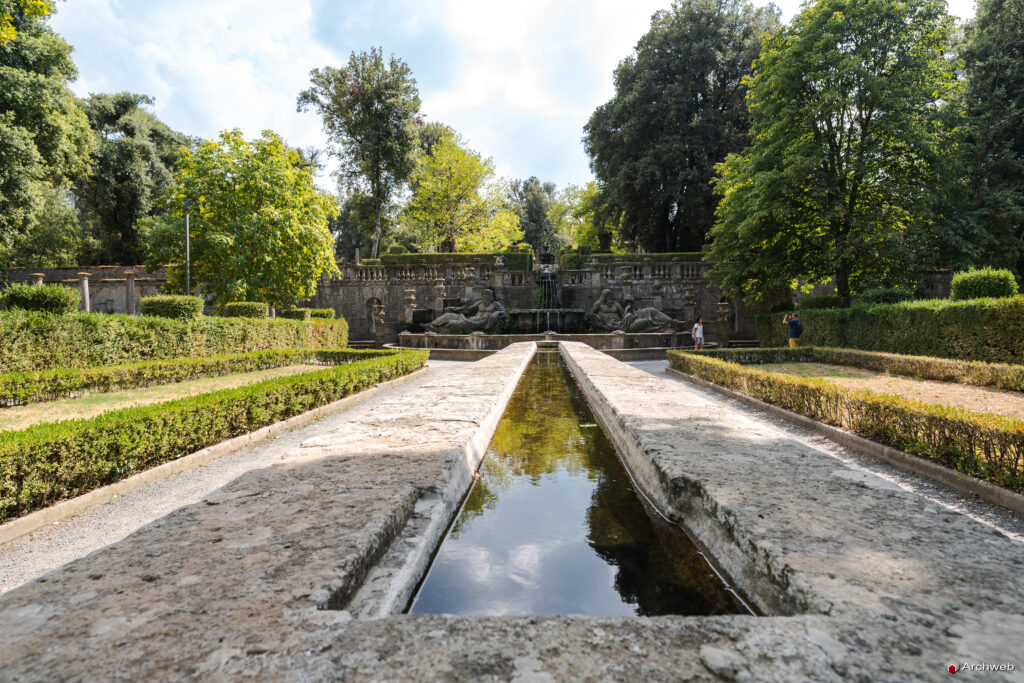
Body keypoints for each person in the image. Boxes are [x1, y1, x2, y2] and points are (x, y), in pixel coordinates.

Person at [425, 288, 506, 334]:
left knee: (453, 323)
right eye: (483, 294)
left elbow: (504, 312)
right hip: (471, 320)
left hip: (480, 323)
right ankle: (432, 325)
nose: (485, 296)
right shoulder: (480, 303)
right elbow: (467, 309)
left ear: (491, 296)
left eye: (487, 294)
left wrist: (497, 312)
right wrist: (454, 308)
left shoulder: (495, 304)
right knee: (449, 315)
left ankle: (440, 330)